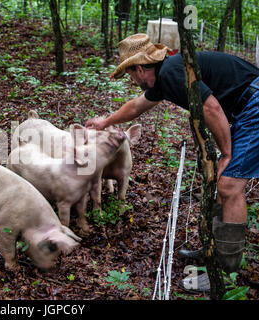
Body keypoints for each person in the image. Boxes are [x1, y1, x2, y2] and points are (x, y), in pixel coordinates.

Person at [86, 33, 259, 288]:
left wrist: (227, 153)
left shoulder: (172, 72)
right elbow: (136, 106)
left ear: (141, 68)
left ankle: (224, 274)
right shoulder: (168, 74)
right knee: (222, 182)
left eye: (131, 74)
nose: (132, 81)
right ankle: (218, 253)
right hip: (246, 106)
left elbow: (211, 108)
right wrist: (105, 122)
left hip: (254, 105)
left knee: (229, 186)